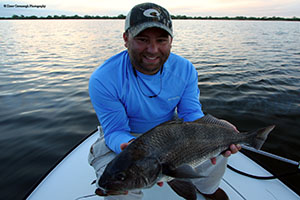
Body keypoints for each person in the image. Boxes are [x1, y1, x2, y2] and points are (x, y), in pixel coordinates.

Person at [88, 2, 241, 200]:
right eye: (142, 39)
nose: (152, 50)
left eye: (161, 40)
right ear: (126, 39)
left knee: (217, 154)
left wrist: (219, 128)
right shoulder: (104, 78)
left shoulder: (185, 69)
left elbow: (191, 114)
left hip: (168, 132)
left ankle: (207, 189)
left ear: (170, 40)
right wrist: (133, 149)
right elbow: (115, 130)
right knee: (120, 188)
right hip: (126, 139)